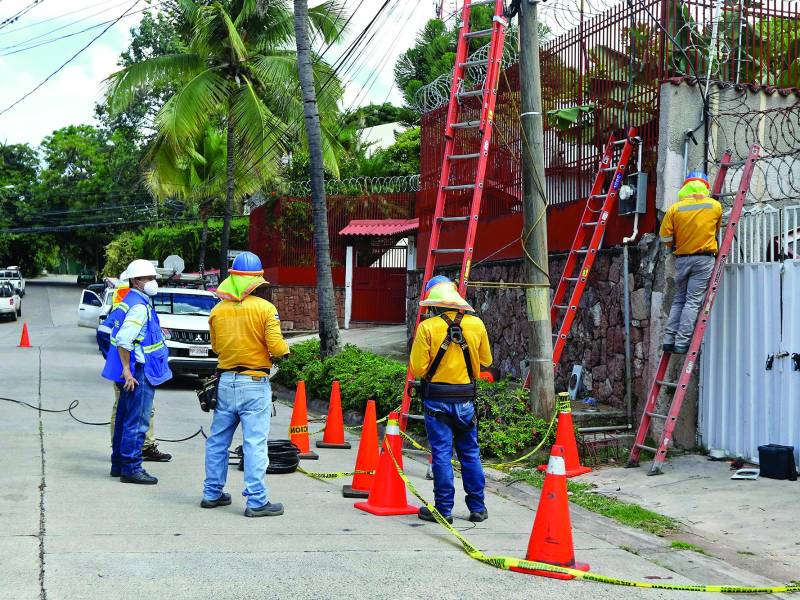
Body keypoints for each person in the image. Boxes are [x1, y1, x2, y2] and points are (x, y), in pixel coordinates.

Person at [202, 251, 289, 517]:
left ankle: (212, 493)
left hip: (226, 381)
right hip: (254, 382)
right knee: (254, 443)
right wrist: (284, 353)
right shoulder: (265, 309)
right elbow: (276, 347)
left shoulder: (218, 310)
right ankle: (256, 501)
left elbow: (216, 347)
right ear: (257, 281)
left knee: (217, 441)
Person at [409, 276, 492, 524]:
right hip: (466, 400)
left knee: (442, 455)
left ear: (433, 303)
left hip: (436, 402)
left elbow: (417, 369)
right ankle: (477, 508)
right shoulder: (476, 324)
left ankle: (444, 511)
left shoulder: (427, 327)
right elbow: (486, 361)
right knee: (470, 453)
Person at [101, 260, 172, 484]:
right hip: (139, 373)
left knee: (124, 417)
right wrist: (127, 370)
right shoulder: (139, 307)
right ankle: (132, 468)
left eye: (153, 278)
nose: (153, 282)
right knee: (137, 421)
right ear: (136, 281)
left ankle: (119, 464)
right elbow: (123, 339)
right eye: (149, 278)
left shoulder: (130, 301)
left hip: (132, 371)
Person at [659, 171, 722, 354]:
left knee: (679, 300)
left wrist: (675, 243)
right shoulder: (715, 206)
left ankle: (669, 340)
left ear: (685, 187)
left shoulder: (675, 209)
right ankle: (681, 343)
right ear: (705, 186)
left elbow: (665, 238)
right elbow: (715, 232)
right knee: (693, 302)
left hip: (682, 259)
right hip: (703, 259)